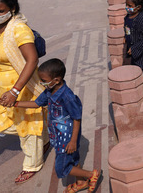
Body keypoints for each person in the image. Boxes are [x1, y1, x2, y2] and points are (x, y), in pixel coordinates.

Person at [0, 0, 49, 184]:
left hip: (19, 87)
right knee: (5, 124)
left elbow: (32, 60)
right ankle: (43, 139)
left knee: (25, 125)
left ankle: (32, 164)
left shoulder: (18, 29)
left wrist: (14, 91)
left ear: (12, 9)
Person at [13, 58, 101, 193]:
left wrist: (72, 141)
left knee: (62, 168)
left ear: (57, 80)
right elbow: (37, 103)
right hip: (57, 136)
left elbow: (77, 118)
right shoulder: (49, 91)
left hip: (66, 139)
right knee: (73, 160)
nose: (41, 83)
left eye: (43, 80)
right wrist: (16, 103)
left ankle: (91, 175)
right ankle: (81, 182)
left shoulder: (67, 97)